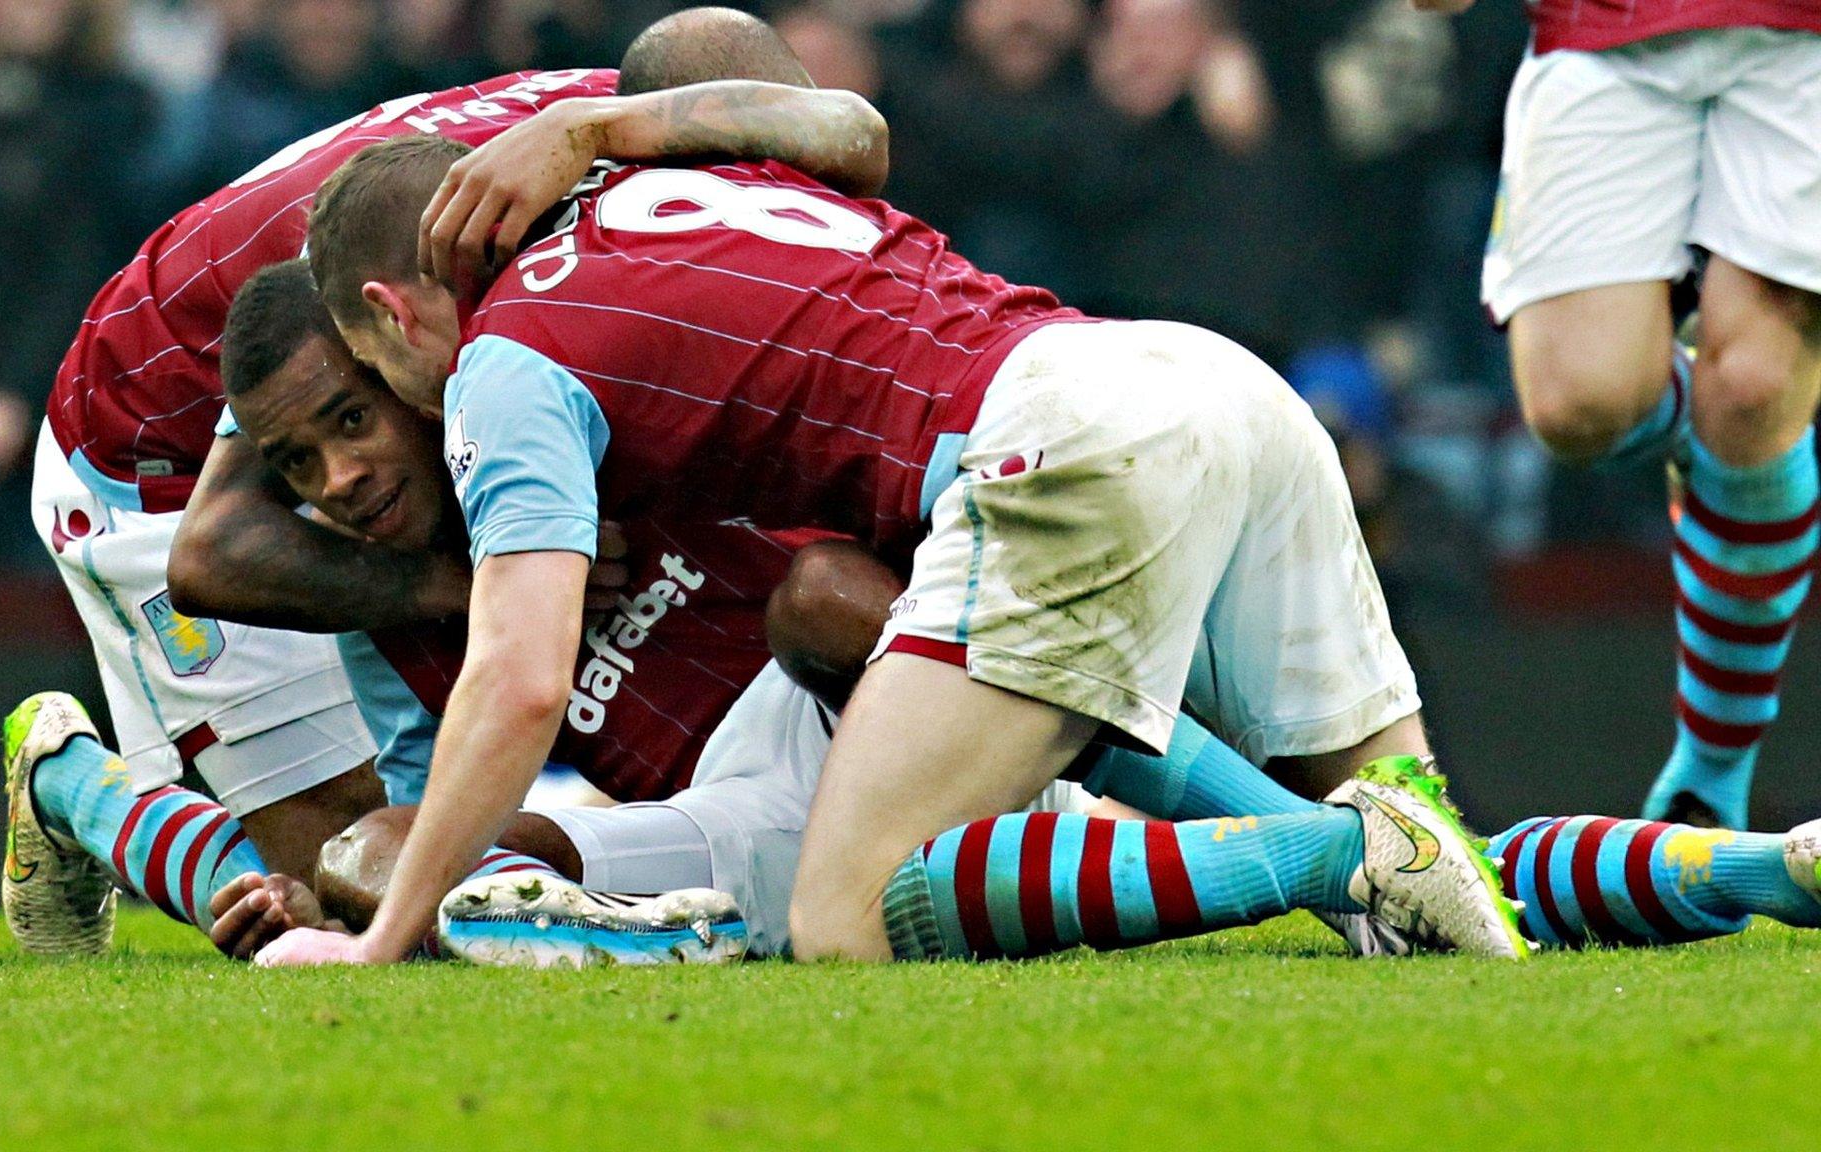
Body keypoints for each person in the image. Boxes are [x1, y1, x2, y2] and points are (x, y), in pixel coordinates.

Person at [206, 261, 1821, 964]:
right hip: (1161, 413)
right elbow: (463, 785)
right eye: (299, 463)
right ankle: (1754, 864)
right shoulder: (408, 581)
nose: (340, 474)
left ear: (400, 343)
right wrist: (351, 890)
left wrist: (386, 927)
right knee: (1425, 851)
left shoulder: (548, 401)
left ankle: (1314, 843)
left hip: (983, 562)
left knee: (841, 842)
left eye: (350, 424)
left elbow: (540, 677)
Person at [257, 134, 1532, 969]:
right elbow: (847, 125)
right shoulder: (654, 186)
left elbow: (521, 679)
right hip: (1208, 382)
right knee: (1429, 922)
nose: (415, 407)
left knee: (843, 917)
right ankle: (1693, 870)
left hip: (1052, 443)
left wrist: (377, 952)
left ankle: (1326, 851)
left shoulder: (502, 361)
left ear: (389, 308)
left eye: (376, 378)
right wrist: (600, 129)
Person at [3, 7, 894, 956]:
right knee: (337, 888)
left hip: (351, 387)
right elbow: (216, 548)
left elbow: (856, 137)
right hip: (145, 448)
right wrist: (476, 593)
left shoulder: (631, 143)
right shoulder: (420, 252)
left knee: (423, 886)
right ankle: (72, 789)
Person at [1412, 0, 1821, 828]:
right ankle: (1716, 445)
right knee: (1577, 407)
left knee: (1749, 389)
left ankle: (1712, 771)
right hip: (1602, 24)